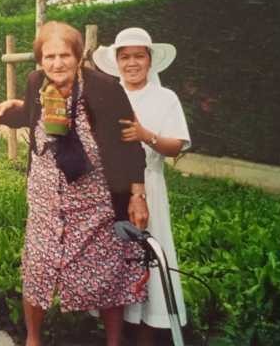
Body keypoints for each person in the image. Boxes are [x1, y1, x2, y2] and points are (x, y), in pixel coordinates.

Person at [0, 21, 149, 346]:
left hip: (95, 202)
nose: (57, 64)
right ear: (39, 60)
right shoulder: (36, 83)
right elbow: (28, 115)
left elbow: (131, 144)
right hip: (46, 199)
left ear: (78, 56)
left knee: (107, 272)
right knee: (38, 269)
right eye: (49, 57)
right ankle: (33, 340)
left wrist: (137, 195)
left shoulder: (105, 88)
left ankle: (113, 342)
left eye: (64, 56)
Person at [93, 27, 191, 346]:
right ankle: (115, 336)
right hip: (110, 189)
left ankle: (146, 335)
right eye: (125, 56)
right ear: (116, 61)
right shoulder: (107, 96)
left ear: (150, 60)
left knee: (148, 255)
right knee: (116, 261)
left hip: (149, 188)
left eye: (138, 56)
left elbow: (176, 146)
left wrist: (145, 134)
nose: (132, 63)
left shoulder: (165, 98)